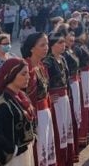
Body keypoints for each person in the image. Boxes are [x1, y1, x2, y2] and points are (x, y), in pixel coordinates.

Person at [0, 58, 35, 166]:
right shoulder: (3, 103)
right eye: (23, 74)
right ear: (11, 75)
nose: (28, 77)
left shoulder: (21, 97)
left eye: (28, 73)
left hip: (24, 153)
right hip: (12, 159)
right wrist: (14, 150)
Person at [22, 32, 56, 165]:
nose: (46, 47)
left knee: (46, 146)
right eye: (42, 45)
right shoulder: (25, 67)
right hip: (33, 116)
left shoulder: (42, 65)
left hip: (45, 112)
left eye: (47, 44)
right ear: (31, 48)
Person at [45, 30, 75, 166]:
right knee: (58, 131)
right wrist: (48, 96)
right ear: (52, 45)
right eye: (60, 42)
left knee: (66, 128)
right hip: (55, 101)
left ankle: (67, 158)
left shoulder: (62, 58)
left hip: (64, 98)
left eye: (64, 42)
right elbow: (43, 83)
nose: (64, 45)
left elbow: (66, 78)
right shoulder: (47, 62)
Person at [63, 29, 82, 160]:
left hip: (74, 82)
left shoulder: (71, 50)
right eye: (70, 36)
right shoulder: (64, 54)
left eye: (73, 36)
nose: (72, 38)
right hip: (68, 85)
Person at [73, 27, 89, 148]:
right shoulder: (76, 48)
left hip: (86, 74)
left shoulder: (82, 45)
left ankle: (86, 132)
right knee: (82, 105)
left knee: (87, 103)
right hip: (81, 76)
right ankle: (80, 136)